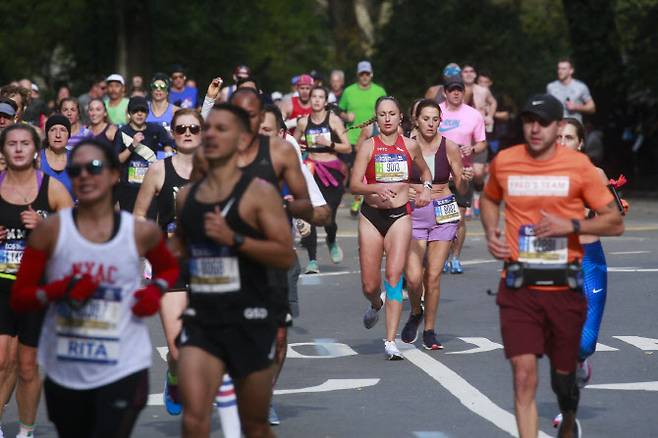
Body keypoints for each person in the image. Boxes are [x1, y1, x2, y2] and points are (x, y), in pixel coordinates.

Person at [10, 138, 179, 438]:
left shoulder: (140, 232)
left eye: (95, 167)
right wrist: (58, 289)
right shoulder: (50, 232)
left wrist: (155, 292)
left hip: (124, 365)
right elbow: (21, 298)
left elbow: (169, 268)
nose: (85, 175)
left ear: (115, 174)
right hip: (67, 368)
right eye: (76, 170)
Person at [480, 94, 624, 438]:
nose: (535, 128)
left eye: (543, 122)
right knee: (524, 376)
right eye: (529, 120)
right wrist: (491, 231)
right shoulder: (506, 161)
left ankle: (569, 419)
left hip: (565, 284)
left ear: (559, 126)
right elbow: (488, 198)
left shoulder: (581, 169)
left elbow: (614, 222)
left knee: (564, 379)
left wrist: (571, 226)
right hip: (519, 284)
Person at [173, 103, 294, 438]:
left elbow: (285, 255)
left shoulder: (259, 194)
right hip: (203, 319)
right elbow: (178, 247)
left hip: (250, 318)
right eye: (207, 128)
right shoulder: (187, 196)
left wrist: (234, 239)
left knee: (254, 425)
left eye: (221, 129)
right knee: (194, 419)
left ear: (242, 141)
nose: (210, 134)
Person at [551, 117, 628, 429]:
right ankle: (567, 411)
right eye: (558, 137)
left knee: (583, 344)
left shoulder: (594, 174)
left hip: (590, 260)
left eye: (569, 138)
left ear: (580, 143)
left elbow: (614, 219)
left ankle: (581, 362)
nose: (563, 143)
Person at [258, 103, 330, 425]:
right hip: (240, 262)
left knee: (279, 337)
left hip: (280, 260)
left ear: (281, 134)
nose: (261, 137)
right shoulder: (229, 167)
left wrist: (298, 210)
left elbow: (322, 212)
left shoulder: (291, 169)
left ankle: (265, 396)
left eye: (267, 131)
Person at [0, 124, 73, 438]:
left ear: (35, 149)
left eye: (25, 143)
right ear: (3, 150)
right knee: (2, 359)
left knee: (27, 366)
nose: (18, 148)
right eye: (12, 143)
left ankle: (26, 432)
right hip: (1, 285)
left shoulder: (53, 188)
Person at [350, 96, 432, 360]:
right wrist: (374, 188)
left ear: (400, 118)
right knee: (369, 284)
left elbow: (425, 173)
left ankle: (390, 341)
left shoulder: (410, 146)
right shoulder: (368, 146)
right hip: (372, 216)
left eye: (392, 114)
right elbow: (354, 185)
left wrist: (426, 190)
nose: (387, 118)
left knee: (394, 277)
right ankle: (376, 303)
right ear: (377, 117)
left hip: (400, 217)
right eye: (382, 114)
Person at [133, 109, 201, 416]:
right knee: (177, 348)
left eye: (194, 128)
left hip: (207, 264)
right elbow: (138, 216)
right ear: (173, 133)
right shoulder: (159, 169)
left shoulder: (214, 169)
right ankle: (174, 376)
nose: (187, 133)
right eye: (181, 128)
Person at [400, 100, 473, 350]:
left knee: (432, 276)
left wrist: (463, 180)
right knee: (412, 278)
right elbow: (392, 178)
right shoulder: (405, 145)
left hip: (443, 213)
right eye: (426, 119)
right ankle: (415, 311)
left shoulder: (449, 147)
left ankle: (430, 330)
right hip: (413, 215)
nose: (430, 124)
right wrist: (404, 191)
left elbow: (461, 188)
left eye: (435, 119)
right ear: (416, 120)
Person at [294, 86, 351, 274]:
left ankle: (331, 240)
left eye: (320, 97)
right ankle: (312, 261)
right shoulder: (303, 122)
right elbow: (292, 145)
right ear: (309, 100)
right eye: (314, 97)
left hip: (332, 173)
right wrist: (300, 150)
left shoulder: (333, 120)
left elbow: (347, 148)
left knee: (329, 216)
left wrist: (329, 143)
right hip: (311, 171)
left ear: (326, 101)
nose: (317, 100)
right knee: (309, 215)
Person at [439, 75, 487, 274]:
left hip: (462, 173)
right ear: (445, 92)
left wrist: (473, 149)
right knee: (442, 220)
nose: (456, 93)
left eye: (459, 89)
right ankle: (440, 257)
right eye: (452, 89)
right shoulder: (436, 112)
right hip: (439, 172)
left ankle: (455, 258)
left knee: (458, 218)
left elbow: (482, 142)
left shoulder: (474, 115)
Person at [338, 61, 387, 216]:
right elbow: (340, 110)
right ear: (358, 75)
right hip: (353, 137)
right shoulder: (349, 91)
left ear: (371, 74)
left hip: (374, 136)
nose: (364, 77)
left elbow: (387, 109)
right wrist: (346, 115)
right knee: (353, 170)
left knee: (372, 170)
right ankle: (359, 197)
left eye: (367, 74)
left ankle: (364, 199)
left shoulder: (379, 90)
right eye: (362, 74)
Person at [114, 96, 173, 216]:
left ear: (147, 113)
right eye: (135, 111)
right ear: (129, 113)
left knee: (149, 224)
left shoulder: (156, 129)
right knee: (129, 224)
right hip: (128, 188)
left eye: (143, 110)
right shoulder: (122, 132)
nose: (139, 114)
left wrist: (166, 167)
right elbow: (117, 160)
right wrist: (132, 145)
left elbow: (169, 146)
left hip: (150, 186)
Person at [40, 115, 74, 197]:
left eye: (62, 130)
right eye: (53, 130)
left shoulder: (76, 159)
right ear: (47, 135)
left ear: (68, 135)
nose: (58, 135)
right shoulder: (36, 158)